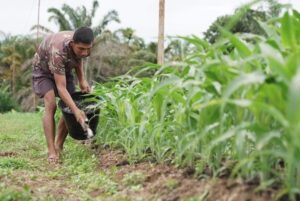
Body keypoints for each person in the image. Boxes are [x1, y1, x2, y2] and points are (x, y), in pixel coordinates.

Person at [32, 26, 94, 164]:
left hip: (63, 70)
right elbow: (61, 87)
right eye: (81, 49)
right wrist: (76, 111)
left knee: (70, 106)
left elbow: (78, 59)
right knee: (52, 105)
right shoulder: (58, 51)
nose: (85, 52)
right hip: (43, 71)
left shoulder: (80, 44)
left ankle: (59, 145)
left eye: (88, 49)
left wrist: (82, 80)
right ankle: (51, 151)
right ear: (72, 44)